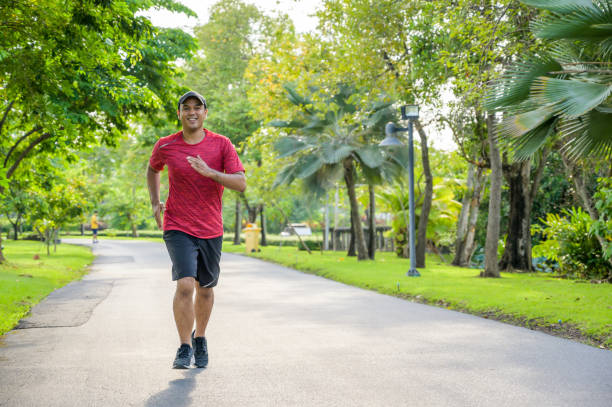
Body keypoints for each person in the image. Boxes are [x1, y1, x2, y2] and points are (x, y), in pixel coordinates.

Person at [146, 91, 246, 369]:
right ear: (179, 113)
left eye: (197, 107)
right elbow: (153, 169)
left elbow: (240, 183)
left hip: (211, 227)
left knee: (206, 288)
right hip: (177, 224)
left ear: (205, 113)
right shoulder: (166, 146)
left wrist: (211, 173)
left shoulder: (222, 145)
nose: (192, 112)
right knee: (185, 284)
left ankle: (199, 337)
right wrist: (156, 203)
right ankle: (184, 346)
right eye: (186, 107)